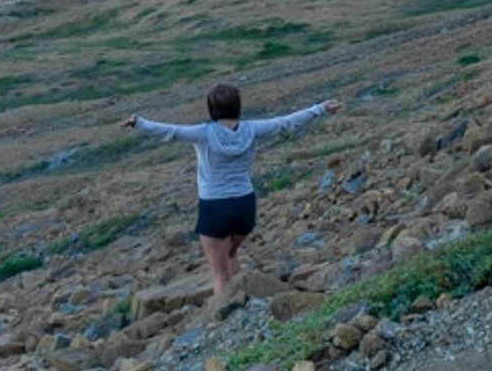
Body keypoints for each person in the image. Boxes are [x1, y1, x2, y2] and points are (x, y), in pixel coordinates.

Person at [121, 83, 340, 294]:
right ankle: (241, 304)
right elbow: (286, 121)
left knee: (219, 274)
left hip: (214, 206)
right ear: (237, 105)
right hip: (245, 203)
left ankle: (223, 320)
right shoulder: (251, 129)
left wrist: (137, 122)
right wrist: (320, 108)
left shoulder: (203, 133)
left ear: (212, 107)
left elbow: (170, 131)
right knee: (230, 254)